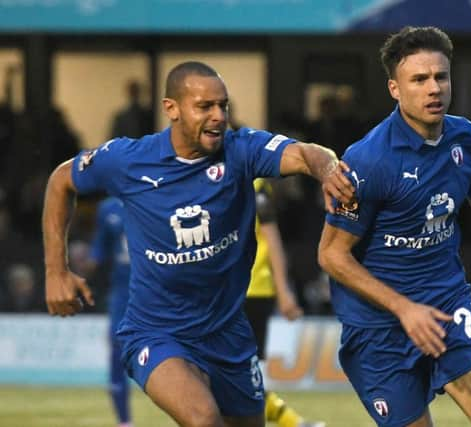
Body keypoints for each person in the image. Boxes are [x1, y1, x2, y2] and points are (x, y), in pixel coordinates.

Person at [42, 61, 353, 427]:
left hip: (228, 333)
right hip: (156, 332)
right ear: (171, 109)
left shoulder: (241, 150)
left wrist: (328, 169)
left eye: (223, 105)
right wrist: (55, 270)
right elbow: (61, 181)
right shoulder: (128, 160)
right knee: (203, 418)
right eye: (204, 107)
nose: (218, 116)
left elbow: (305, 153)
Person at [317, 26, 471, 427]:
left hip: (449, 306)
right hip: (379, 330)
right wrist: (404, 309)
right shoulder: (369, 161)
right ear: (395, 89)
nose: (434, 88)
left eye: (440, 77)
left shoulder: (466, 138)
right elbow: (330, 254)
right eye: (419, 79)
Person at [245, 178, 325, 427]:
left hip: (253, 291)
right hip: (231, 292)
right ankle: (293, 422)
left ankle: (291, 422)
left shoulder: (255, 187)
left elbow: (271, 238)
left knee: (242, 375)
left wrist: (283, 290)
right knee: (236, 376)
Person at [87, 197, 133, 427]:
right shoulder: (108, 208)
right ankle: (124, 421)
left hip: (159, 289)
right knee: (116, 349)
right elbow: (99, 251)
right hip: (122, 293)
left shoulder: (161, 193)